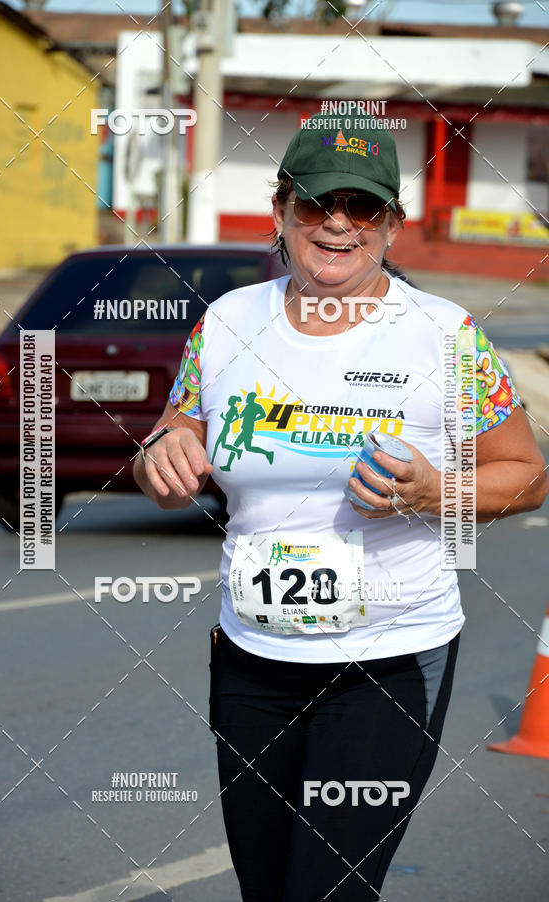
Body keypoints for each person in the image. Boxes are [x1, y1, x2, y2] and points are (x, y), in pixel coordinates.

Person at [133, 113, 548, 901]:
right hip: (251, 660)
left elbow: (526, 475)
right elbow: (179, 422)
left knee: (327, 891)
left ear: (391, 225)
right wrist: (162, 451)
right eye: (316, 203)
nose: (337, 223)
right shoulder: (226, 323)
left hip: (388, 664)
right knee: (267, 888)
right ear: (281, 213)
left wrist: (438, 491)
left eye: (362, 206)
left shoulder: (444, 336)